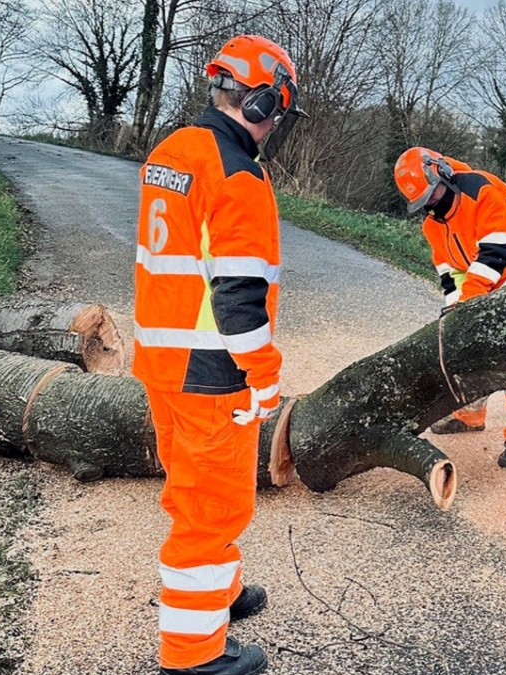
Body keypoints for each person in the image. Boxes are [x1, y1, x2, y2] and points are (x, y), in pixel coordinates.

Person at [133, 34, 305, 675]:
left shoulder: (172, 152)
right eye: (277, 112)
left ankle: (219, 594)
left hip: (163, 360)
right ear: (262, 103)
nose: (275, 126)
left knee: (190, 490)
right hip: (212, 369)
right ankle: (192, 654)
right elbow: (238, 298)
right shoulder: (239, 176)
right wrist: (264, 373)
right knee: (210, 510)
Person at [393, 146, 506, 469]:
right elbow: (450, 273)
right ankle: (470, 414)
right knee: (469, 344)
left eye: (432, 194)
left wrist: (471, 300)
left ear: (441, 172)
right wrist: (457, 309)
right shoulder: (432, 224)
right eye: (424, 201)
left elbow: (496, 251)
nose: (431, 203)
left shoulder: (480, 189)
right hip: (489, 274)